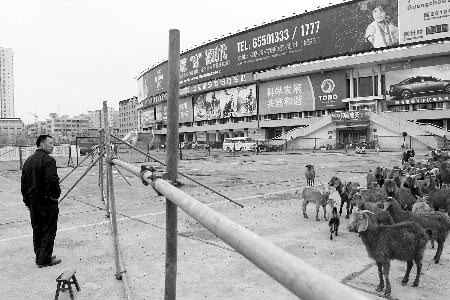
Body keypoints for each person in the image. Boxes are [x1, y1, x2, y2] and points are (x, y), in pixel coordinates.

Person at [21, 135, 62, 268]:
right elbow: (52, 180)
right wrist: (55, 196)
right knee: (49, 229)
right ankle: (44, 259)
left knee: (37, 229)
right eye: (50, 143)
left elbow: (24, 184)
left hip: (34, 201)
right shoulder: (48, 160)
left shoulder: (28, 161)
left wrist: (27, 201)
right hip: (47, 201)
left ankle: (41, 255)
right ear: (42, 144)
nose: (53, 146)